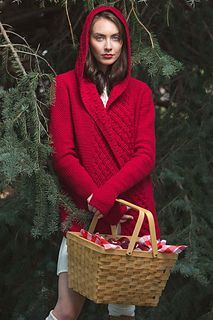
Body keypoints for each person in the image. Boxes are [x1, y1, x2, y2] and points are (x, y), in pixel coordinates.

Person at [47, 5, 160, 320]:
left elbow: (145, 155)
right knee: (67, 311)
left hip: (130, 212)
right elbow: (63, 154)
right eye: (100, 38)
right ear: (88, 41)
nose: (108, 46)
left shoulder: (140, 93)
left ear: (124, 43)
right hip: (84, 212)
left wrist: (109, 193)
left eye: (115, 38)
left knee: (123, 313)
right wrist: (96, 198)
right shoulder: (66, 86)